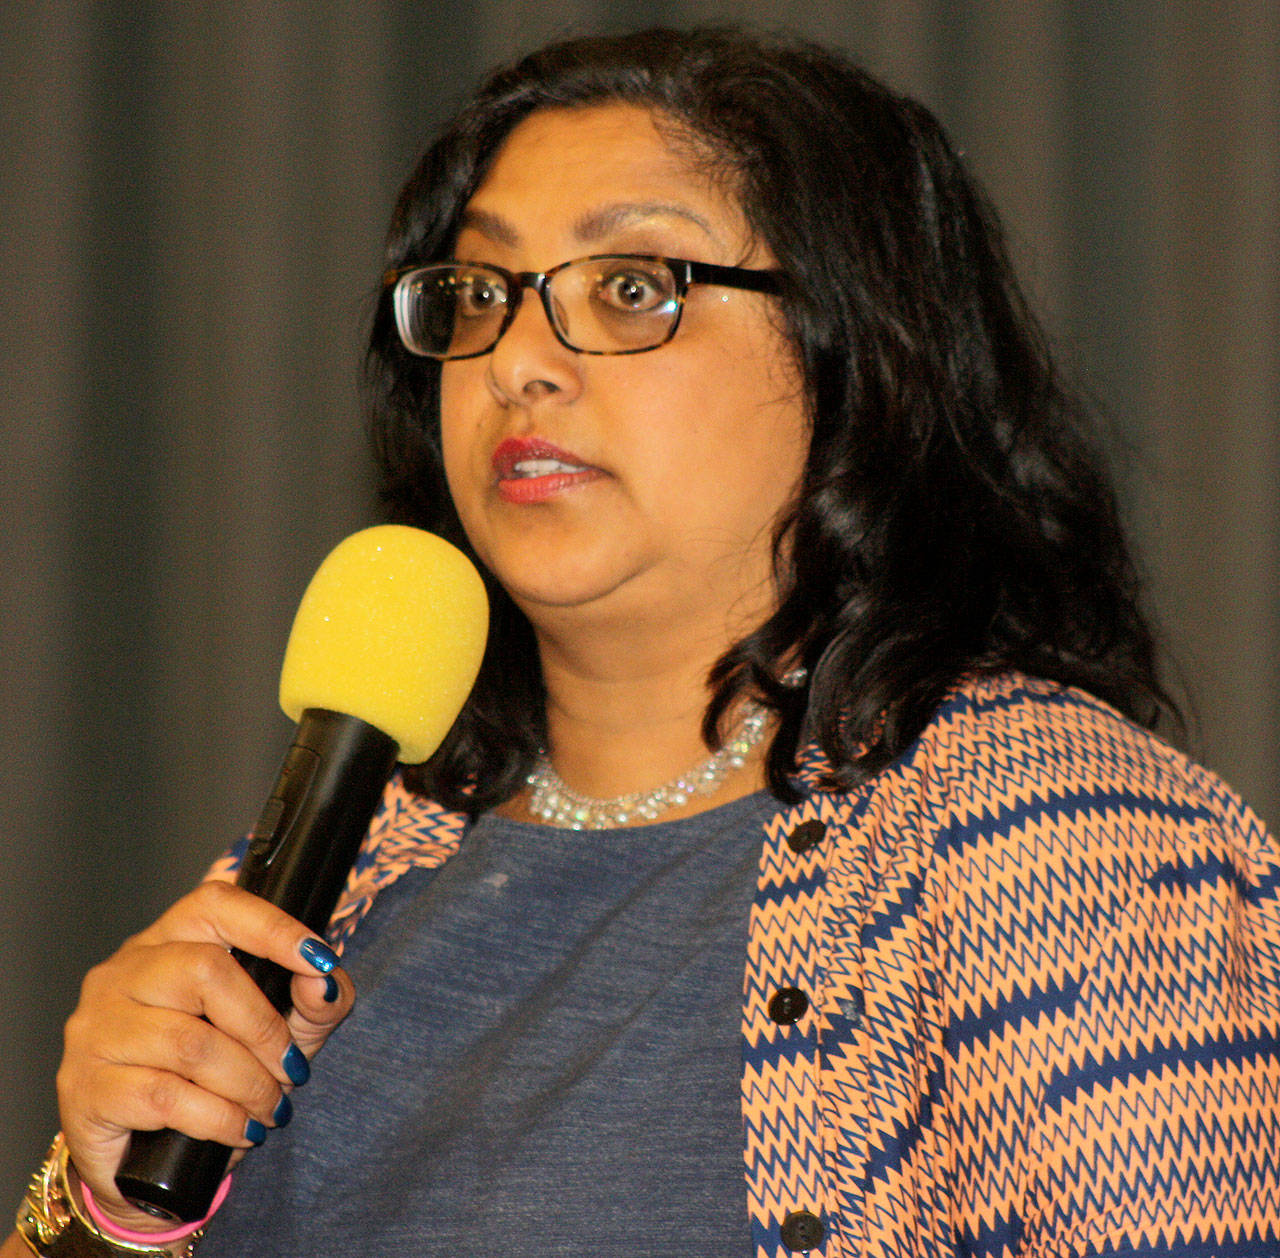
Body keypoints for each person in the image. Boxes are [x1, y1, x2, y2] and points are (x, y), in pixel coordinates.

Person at [10, 25, 1280, 1258]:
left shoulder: (1065, 844)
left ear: (860, 352)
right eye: (482, 292)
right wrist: (108, 1213)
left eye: (631, 287)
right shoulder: (335, 867)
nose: (519, 361)